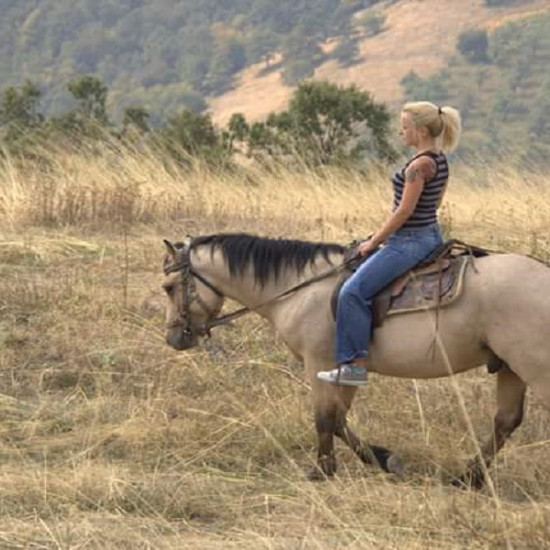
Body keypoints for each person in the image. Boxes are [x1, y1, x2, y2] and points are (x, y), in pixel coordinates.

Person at [317, 101, 462, 386]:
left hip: (410, 241)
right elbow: (433, 202)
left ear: (420, 131)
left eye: (405, 127)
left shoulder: (418, 166)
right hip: (428, 233)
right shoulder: (439, 158)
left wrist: (375, 241)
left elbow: (404, 211)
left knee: (352, 292)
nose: (401, 132)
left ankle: (354, 368)